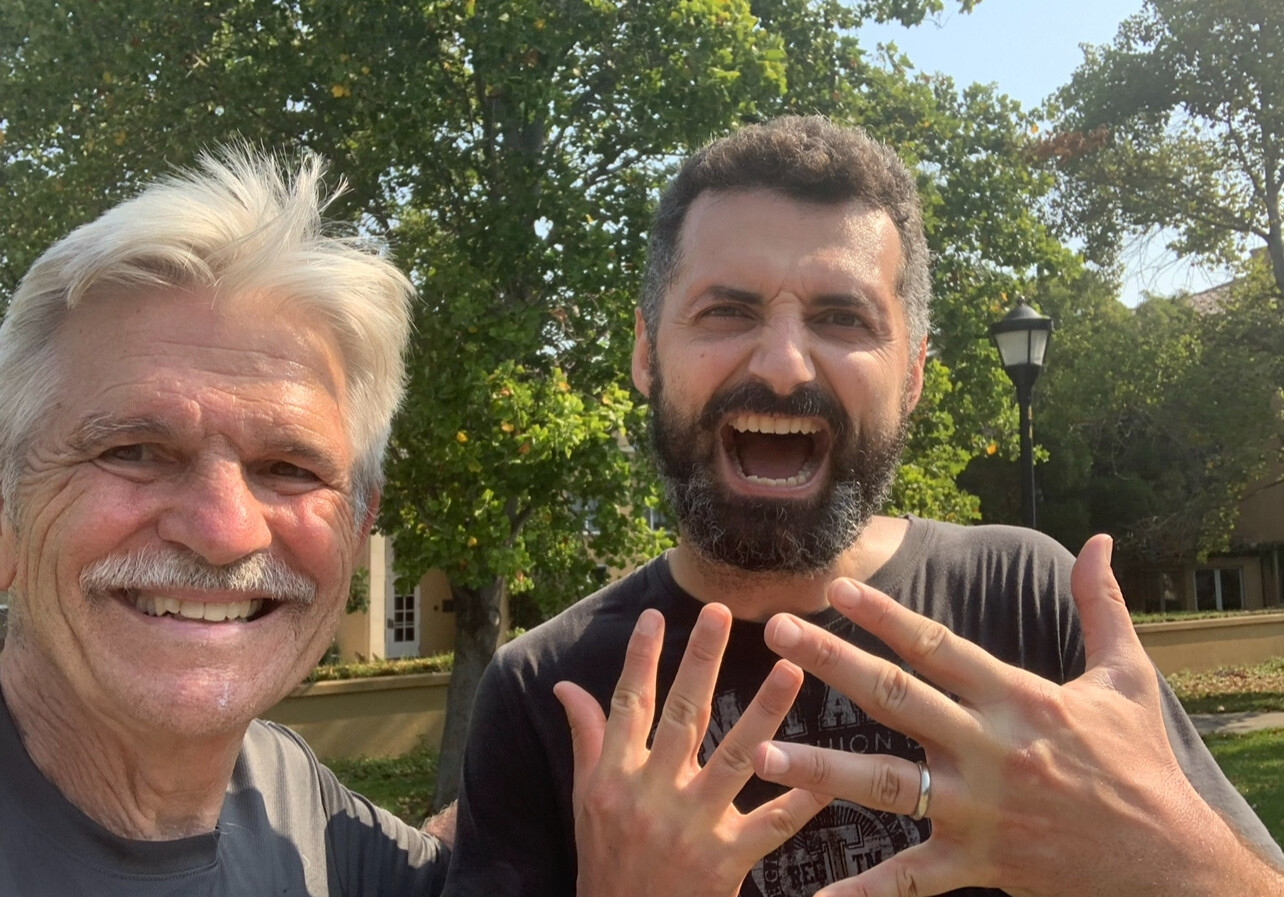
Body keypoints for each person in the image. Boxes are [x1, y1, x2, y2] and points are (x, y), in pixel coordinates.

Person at [444, 116, 1284, 896]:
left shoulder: (1027, 600)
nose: (782, 365)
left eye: (843, 317)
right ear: (645, 352)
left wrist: (1161, 851)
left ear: (913, 374)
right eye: (726, 311)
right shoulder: (542, 693)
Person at [0, 148, 451, 895]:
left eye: (290, 469)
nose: (224, 530)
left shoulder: (293, 797)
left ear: (357, 527)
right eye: (135, 452)